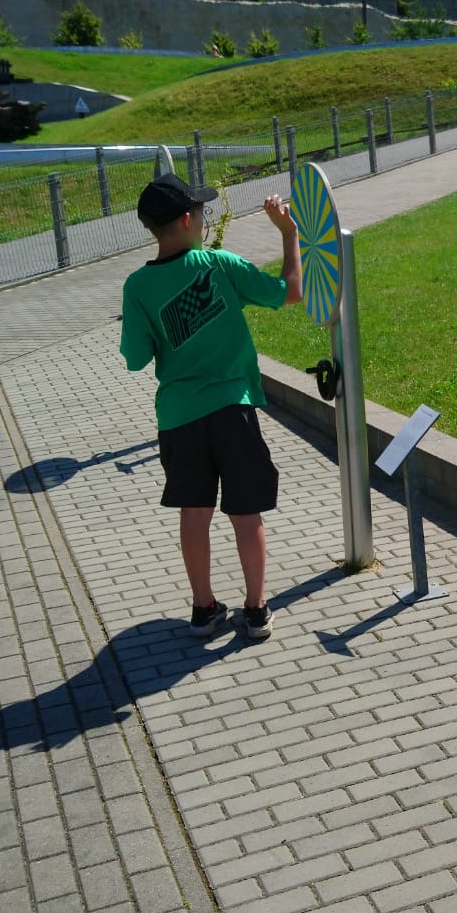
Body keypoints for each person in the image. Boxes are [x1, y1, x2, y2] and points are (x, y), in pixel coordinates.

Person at [119, 173, 302, 641]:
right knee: (246, 513)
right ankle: (256, 609)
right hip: (233, 409)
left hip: (179, 417)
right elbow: (289, 292)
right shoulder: (219, 264)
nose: (204, 220)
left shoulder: (137, 286)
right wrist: (289, 234)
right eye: (201, 213)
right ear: (187, 220)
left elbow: (135, 358)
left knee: (194, 511)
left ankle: (203, 610)